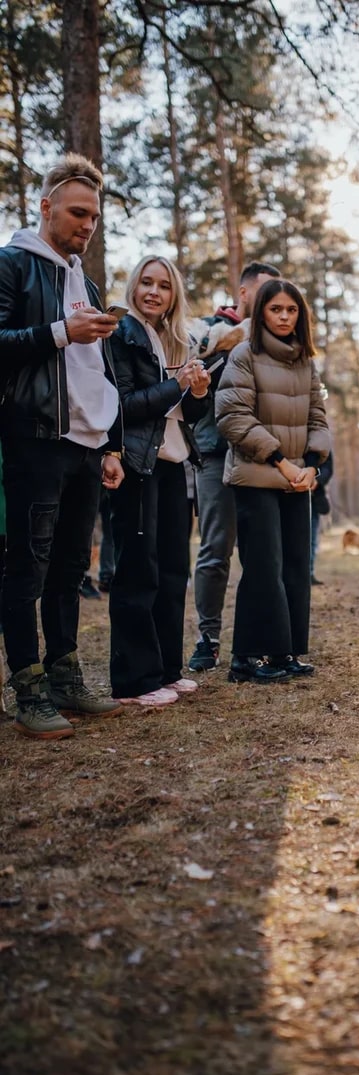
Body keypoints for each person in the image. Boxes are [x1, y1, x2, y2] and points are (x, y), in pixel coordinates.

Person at [0, 153, 124, 738]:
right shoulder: (13, 266)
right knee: (27, 568)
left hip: (83, 446)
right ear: (45, 206)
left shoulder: (86, 281)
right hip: (33, 440)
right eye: (77, 213)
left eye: (95, 217)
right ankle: (26, 690)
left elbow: (94, 370)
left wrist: (108, 444)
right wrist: (58, 332)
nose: (87, 225)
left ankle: (65, 678)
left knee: (72, 567)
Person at [215, 278, 330, 683]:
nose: (284, 317)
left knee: (297, 566)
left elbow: (318, 416)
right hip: (257, 477)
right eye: (276, 309)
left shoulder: (305, 362)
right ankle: (245, 659)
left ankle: (284, 653)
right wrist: (282, 462)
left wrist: (313, 466)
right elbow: (233, 418)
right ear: (261, 311)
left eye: (291, 310)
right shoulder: (244, 355)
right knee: (264, 567)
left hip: (299, 479)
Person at [108, 256, 211, 706]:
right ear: (134, 287)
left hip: (174, 464)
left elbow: (185, 414)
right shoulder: (122, 333)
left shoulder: (175, 340)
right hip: (136, 464)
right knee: (138, 572)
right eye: (146, 282)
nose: (153, 291)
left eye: (163, 286)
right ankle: (134, 681)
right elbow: (124, 405)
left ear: (174, 295)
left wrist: (199, 391)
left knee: (172, 570)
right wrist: (177, 386)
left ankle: (167, 669)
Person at [188, 261, 281, 672]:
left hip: (262, 459)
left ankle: (256, 640)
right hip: (215, 455)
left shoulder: (274, 342)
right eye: (263, 293)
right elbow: (196, 394)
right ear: (244, 293)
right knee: (215, 550)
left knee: (261, 555)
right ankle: (207, 638)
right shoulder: (209, 333)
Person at [310, 449, 333, 585]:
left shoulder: (323, 443)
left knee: (312, 538)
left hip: (314, 497)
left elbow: (328, 467)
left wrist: (317, 481)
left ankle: (309, 572)